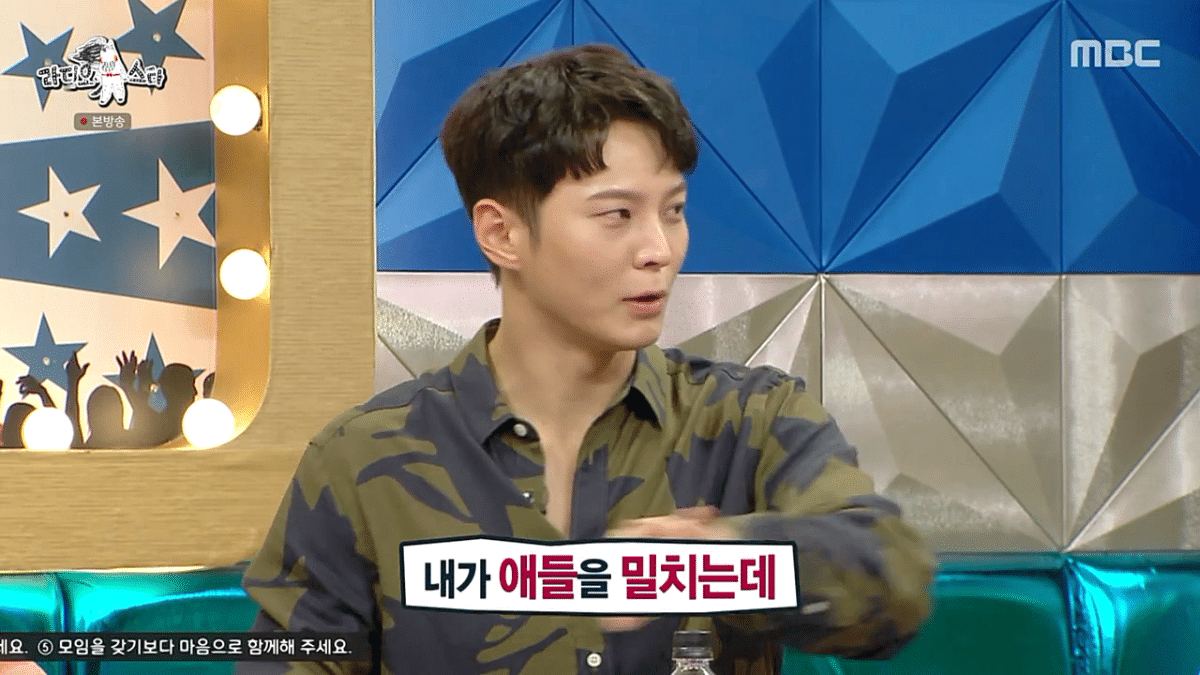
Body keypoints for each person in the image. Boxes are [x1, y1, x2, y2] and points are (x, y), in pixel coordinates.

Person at [239, 43, 935, 674]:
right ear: (501, 233)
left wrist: (721, 563)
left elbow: (894, 582)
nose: (659, 249)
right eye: (617, 215)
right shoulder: (361, 461)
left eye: (673, 210)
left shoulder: (752, 419)